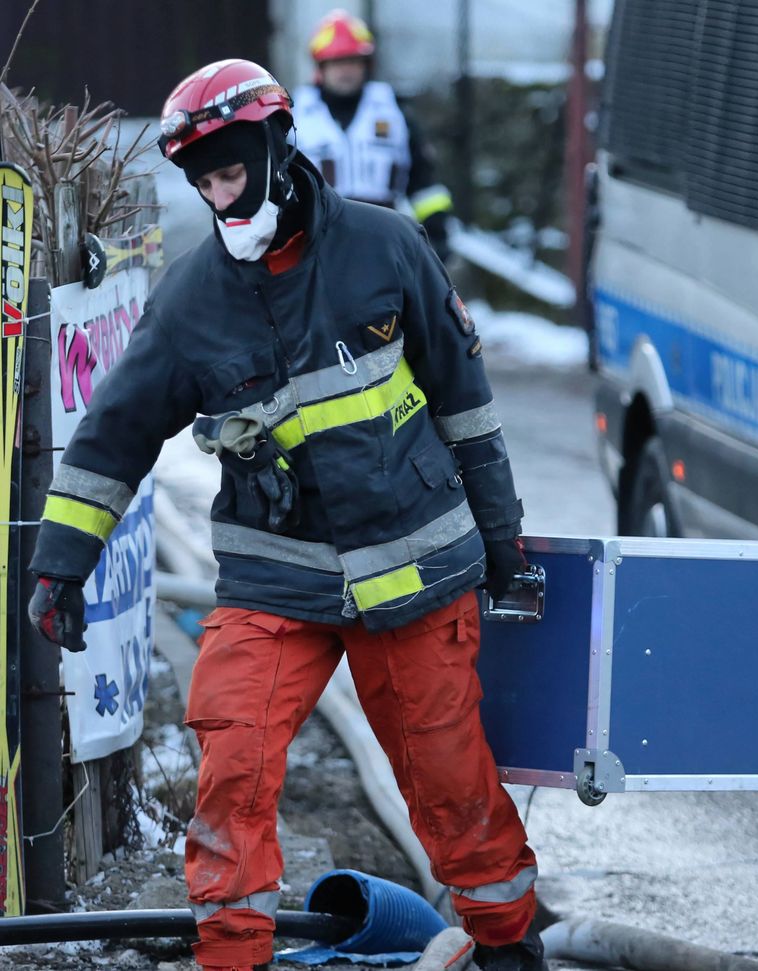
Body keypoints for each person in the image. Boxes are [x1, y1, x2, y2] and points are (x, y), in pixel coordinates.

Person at [25, 59, 545, 971]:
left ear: (275, 149)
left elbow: (466, 402)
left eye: (231, 174)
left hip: (417, 575)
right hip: (278, 581)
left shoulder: (386, 249)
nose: (223, 200)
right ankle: (235, 956)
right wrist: (61, 563)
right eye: (204, 183)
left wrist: (503, 541)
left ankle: (507, 945)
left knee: (452, 782)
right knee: (231, 768)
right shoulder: (193, 299)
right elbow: (111, 437)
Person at [292, 8, 454, 261]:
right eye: (337, 62)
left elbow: (423, 183)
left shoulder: (395, 112)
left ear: (366, 65)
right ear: (320, 67)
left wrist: (438, 233)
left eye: (353, 61)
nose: (346, 70)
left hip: (384, 238)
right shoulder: (294, 115)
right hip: (317, 241)